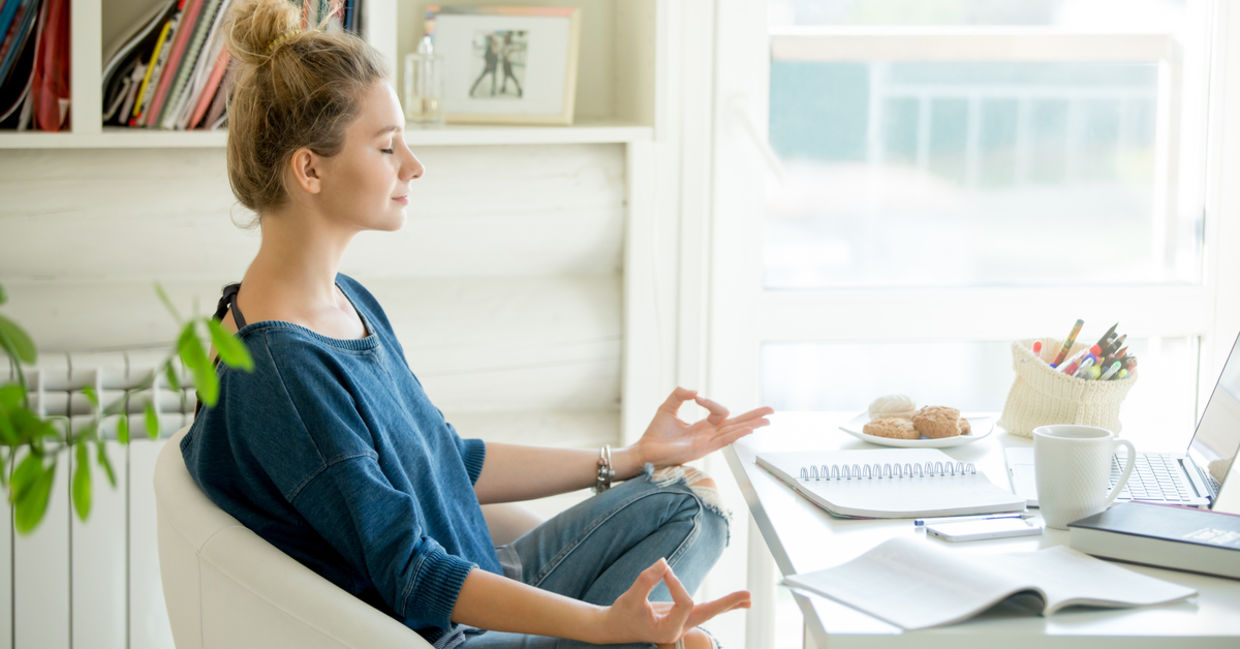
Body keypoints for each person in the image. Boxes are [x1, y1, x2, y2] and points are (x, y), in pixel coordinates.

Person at [182, 1, 773, 648]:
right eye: (387, 146)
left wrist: (629, 458)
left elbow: (450, 461)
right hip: (450, 632)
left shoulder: (342, 301)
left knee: (691, 505)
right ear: (309, 169)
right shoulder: (283, 372)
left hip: (488, 574)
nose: (413, 165)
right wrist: (603, 625)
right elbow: (412, 572)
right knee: (662, 615)